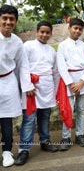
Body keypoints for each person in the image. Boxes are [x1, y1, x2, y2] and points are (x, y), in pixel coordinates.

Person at [14, 21, 59, 166]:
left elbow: (55, 72)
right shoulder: (28, 46)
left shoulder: (52, 51)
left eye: (47, 32)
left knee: (45, 117)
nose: (45, 35)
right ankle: (24, 149)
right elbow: (22, 67)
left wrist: (56, 90)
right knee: (29, 119)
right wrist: (27, 86)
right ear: (36, 32)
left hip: (46, 88)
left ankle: (45, 141)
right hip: (31, 89)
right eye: (42, 32)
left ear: (51, 34)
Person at [0, 4, 35, 167]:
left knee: (6, 120)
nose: (8, 22)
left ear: (15, 21)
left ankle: (7, 151)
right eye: (4, 18)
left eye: (11, 19)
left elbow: (23, 65)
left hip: (8, 83)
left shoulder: (17, 42)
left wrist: (27, 86)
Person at [56, 18, 84, 151]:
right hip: (69, 81)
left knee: (81, 109)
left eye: (80, 29)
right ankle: (66, 137)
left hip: (82, 81)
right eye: (75, 28)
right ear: (69, 28)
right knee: (68, 109)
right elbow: (61, 66)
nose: (77, 31)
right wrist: (72, 84)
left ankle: (80, 134)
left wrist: (82, 82)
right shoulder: (63, 45)